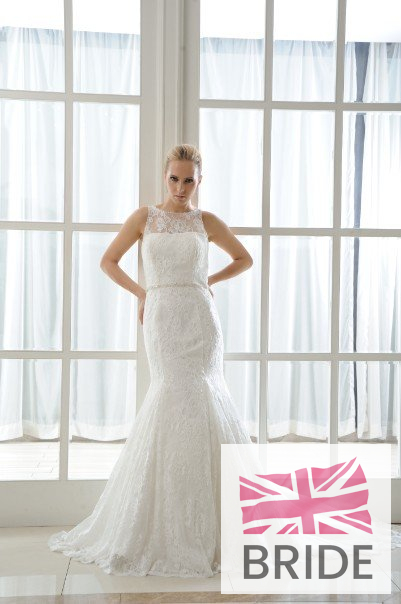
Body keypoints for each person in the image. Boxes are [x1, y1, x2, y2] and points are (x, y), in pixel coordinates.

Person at [47, 143, 254, 577]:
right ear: (165, 176)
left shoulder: (206, 222)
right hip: (161, 317)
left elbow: (244, 259)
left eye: (189, 180)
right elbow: (108, 261)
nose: (181, 187)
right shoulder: (145, 218)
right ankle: (158, 519)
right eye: (174, 178)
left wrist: (207, 281)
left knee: (204, 397)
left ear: (200, 180)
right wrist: (143, 292)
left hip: (199, 319)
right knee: (169, 397)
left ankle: (221, 521)